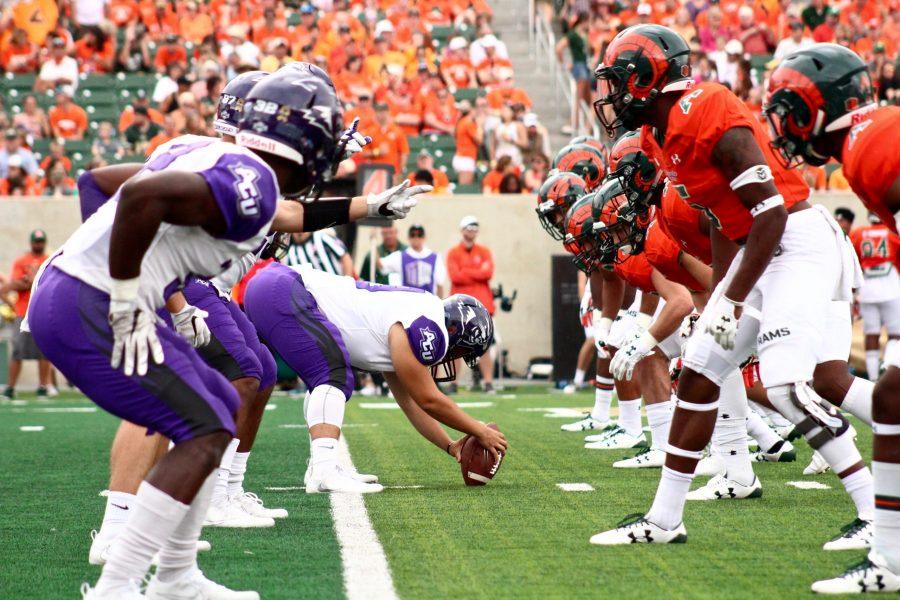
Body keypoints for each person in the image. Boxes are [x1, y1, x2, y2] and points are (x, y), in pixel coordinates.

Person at [30, 63, 429, 599]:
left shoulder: (210, 156)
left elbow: (96, 183)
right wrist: (126, 295)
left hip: (71, 288)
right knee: (210, 421)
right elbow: (140, 202)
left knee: (218, 401)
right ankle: (118, 589)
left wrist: (127, 276)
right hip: (88, 302)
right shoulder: (251, 181)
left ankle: (176, 578)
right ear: (302, 142)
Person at [591, 26, 870, 549]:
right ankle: (664, 519)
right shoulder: (659, 132)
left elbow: (769, 212)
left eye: (619, 81)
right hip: (757, 250)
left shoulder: (705, 110)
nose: (612, 95)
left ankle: (875, 509)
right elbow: (721, 218)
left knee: (788, 386)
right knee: (696, 376)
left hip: (793, 241)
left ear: (647, 76)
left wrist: (733, 298)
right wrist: (719, 296)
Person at [765, 44, 900, 592]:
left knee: (891, 398)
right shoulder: (868, 138)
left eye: (788, 110)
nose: (783, 127)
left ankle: (889, 560)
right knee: (890, 398)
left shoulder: (871, 146)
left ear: (816, 109)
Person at [243, 263, 506, 493]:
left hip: (273, 285)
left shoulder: (418, 316)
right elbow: (429, 400)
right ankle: (325, 470)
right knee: (332, 375)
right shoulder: (430, 325)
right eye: (461, 350)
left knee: (313, 374)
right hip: (284, 288)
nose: (453, 358)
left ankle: (321, 467)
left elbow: (412, 402)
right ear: (454, 329)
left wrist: (450, 446)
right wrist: (479, 430)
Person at [3, 230, 54, 400]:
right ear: (31, 242)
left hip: (43, 310)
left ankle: (43, 386)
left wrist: (30, 281)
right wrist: (30, 281)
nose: (38, 244)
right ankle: (11, 388)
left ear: (44, 242)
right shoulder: (21, 261)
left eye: (40, 241)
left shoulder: (50, 260)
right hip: (22, 311)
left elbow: (51, 283)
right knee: (17, 350)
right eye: (35, 241)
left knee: (44, 351)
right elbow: (14, 284)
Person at [447, 216, 496, 392]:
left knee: (483, 346)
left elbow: (488, 273)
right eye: (469, 227)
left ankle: (488, 382)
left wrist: (466, 271)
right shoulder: (453, 252)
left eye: (475, 228)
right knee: (455, 345)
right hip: (460, 307)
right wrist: (476, 272)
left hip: (481, 305)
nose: (472, 231)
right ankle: (454, 383)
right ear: (462, 230)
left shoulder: (484, 251)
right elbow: (455, 276)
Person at [380, 224, 447, 296]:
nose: (416, 238)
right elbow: (381, 265)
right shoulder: (400, 256)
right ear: (408, 238)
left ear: (424, 238)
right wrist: (373, 239)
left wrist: (440, 304)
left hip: (428, 302)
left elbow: (440, 284)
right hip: (408, 302)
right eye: (413, 235)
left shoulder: (435, 258)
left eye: (419, 235)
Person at [284, 230, 353, 276]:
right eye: (296, 229)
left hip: (338, 287)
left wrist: (348, 280)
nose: (300, 232)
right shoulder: (289, 254)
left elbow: (344, 257)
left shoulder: (321, 237)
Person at [453, 100, 484, 185]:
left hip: (462, 157)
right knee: (464, 189)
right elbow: (479, 140)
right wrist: (480, 125)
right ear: (471, 110)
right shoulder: (468, 122)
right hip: (465, 158)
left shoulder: (461, 121)